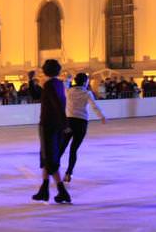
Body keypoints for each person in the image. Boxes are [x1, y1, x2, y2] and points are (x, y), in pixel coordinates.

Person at [32, 59, 72, 204]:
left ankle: (61, 192)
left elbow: (56, 104)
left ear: (45, 70)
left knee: (49, 159)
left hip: (48, 125)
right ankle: (44, 190)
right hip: (54, 125)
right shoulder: (58, 84)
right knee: (46, 157)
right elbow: (45, 98)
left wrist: (65, 124)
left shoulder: (50, 85)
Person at [59, 72, 106, 182]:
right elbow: (95, 106)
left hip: (68, 122)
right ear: (85, 82)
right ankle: (68, 173)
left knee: (62, 146)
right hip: (81, 123)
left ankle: (52, 167)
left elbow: (64, 85)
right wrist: (102, 116)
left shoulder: (69, 91)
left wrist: (68, 79)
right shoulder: (87, 93)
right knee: (73, 149)